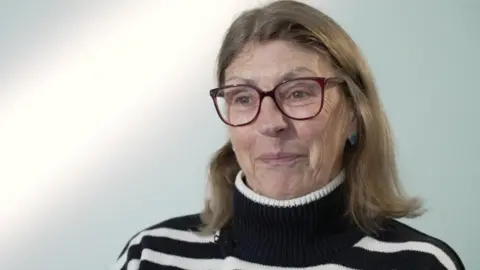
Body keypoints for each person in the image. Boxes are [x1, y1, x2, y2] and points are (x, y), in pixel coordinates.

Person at [114, 1, 465, 269]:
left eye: (298, 92)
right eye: (243, 98)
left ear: (356, 116)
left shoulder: (419, 263)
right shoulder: (152, 256)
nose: (271, 123)